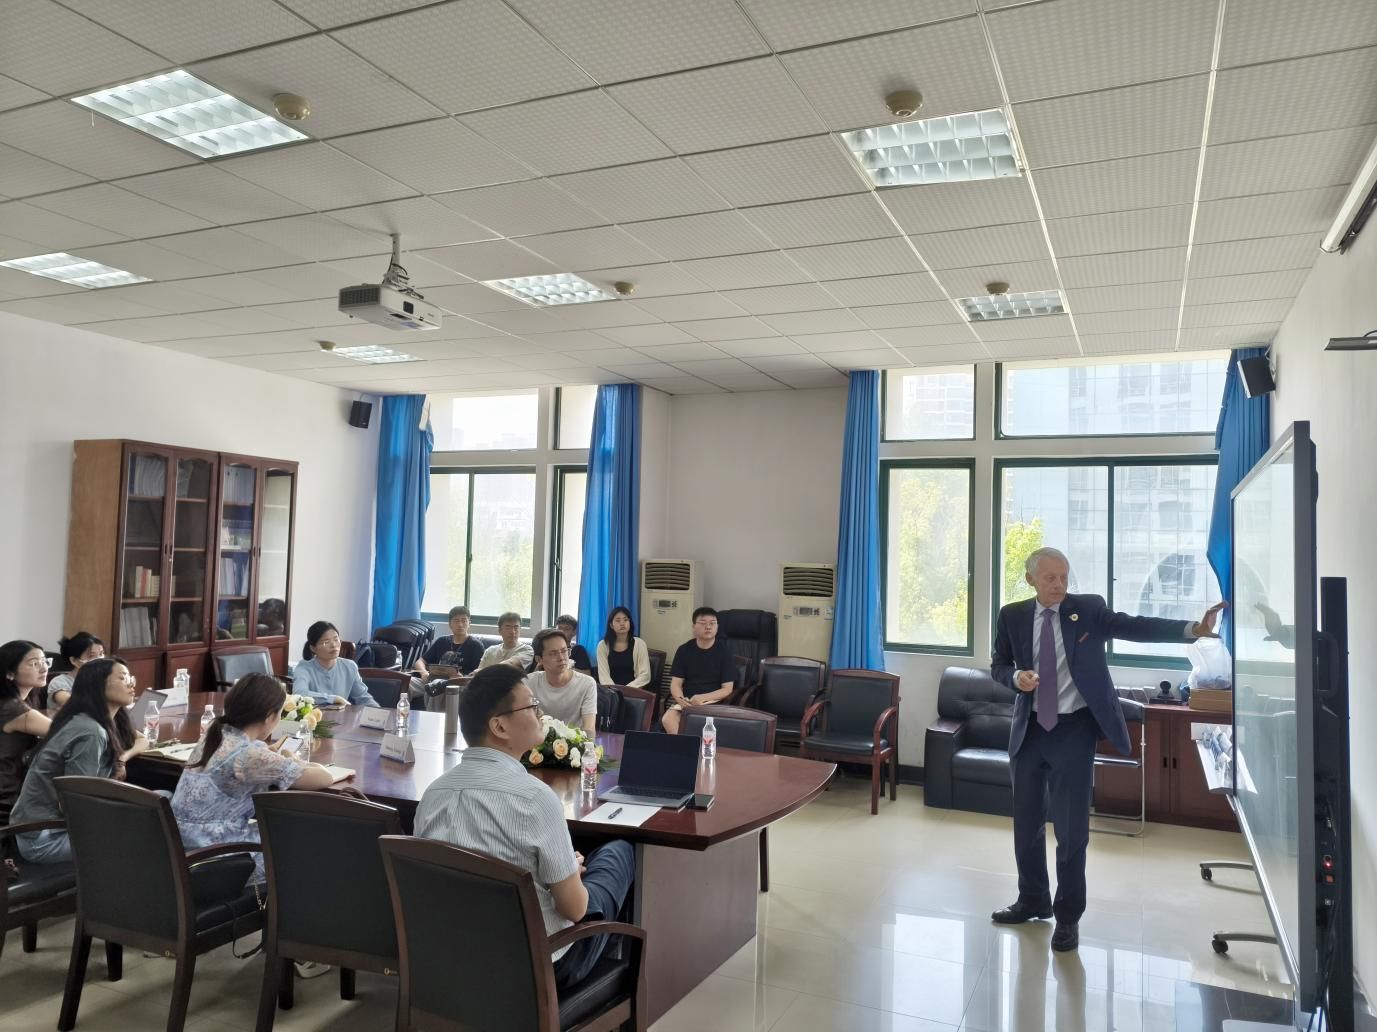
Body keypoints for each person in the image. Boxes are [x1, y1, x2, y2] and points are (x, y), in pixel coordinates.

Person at [990, 547, 1225, 952]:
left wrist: (1193, 629)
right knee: (1026, 825)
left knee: (1071, 831)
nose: (1059, 585)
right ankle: (1032, 899)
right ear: (1030, 579)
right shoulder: (1012, 615)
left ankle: (1067, 917)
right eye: (1050, 578)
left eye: (1064, 576)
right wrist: (1015, 678)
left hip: (1073, 730)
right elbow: (998, 665)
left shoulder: (1088, 609)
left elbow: (1136, 626)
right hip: (1029, 731)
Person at [414, 664, 635, 990]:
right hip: (536, 968)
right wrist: (570, 874)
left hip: (450, 956)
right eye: (532, 706)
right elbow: (575, 909)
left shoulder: (433, 794)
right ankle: (611, 981)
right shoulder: (535, 798)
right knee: (619, 852)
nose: (540, 713)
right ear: (500, 726)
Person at [171, 672, 338, 882]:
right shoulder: (249, 755)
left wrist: (271, 755)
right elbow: (324, 778)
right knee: (304, 842)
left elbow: (246, 759)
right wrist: (293, 759)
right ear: (269, 717)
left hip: (181, 845)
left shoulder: (216, 733)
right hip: (216, 856)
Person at [10, 657, 147, 862]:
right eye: (123, 678)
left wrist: (122, 760)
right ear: (99, 685)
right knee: (149, 831)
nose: (131, 684)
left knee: (158, 803)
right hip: (45, 838)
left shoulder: (93, 720)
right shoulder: (90, 731)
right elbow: (78, 803)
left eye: (130, 678)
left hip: (49, 829)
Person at [662, 607, 737, 735]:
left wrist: (702, 698)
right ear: (694, 626)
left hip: (713, 702)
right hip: (687, 701)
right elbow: (676, 683)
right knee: (668, 720)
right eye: (703, 623)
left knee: (703, 727)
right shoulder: (684, 650)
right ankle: (686, 747)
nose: (708, 627)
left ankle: (692, 747)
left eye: (712, 623)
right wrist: (681, 700)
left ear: (717, 627)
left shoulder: (725, 652)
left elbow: (727, 689)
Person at [1, 640, 54, 809]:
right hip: (7, 798)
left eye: (45, 661)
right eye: (34, 664)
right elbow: (66, 732)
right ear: (10, 673)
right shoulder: (13, 708)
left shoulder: (18, 702)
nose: (44, 668)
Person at [525, 629, 597, 734]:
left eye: (564, 651)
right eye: (553, 653)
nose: (561, 658)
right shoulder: (528, 683)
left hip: (575, 743)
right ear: (539, 659)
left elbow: (589, 729)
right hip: (538, 741)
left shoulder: (587, 684)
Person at [293, 621, 378, 707]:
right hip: (315, 715)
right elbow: (299, 694)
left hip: (342, 715)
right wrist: (333, 699)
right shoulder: (304, 668)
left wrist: (381, 712)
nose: (333, 645)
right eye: (326, 642)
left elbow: (363, 698)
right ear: (313, 648)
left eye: (336, 640)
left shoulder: (350, 666)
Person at [413, 605, 484, 678]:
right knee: (409, 680)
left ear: (469, 623)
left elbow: (479, 673)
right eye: (456, 621)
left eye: (464, 621)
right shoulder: (441, 641)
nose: (460, 625)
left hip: (459, 683)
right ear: (450, 624)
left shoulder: (476, 645)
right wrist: (424, 673)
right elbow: (420, 661)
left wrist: (463, 678)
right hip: (433, 680)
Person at [45, 631, 105, 713]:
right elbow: (74, 705)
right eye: (91, 656)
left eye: (101, 654)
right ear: (74, 660)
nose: (100, 660)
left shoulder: (102, 680)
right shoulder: (60, 682)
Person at [595, 607, 652, 689]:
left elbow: (645, 675)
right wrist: (615, 691)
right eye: (618, 620)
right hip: (610, 692)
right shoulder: (603, 646)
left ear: (629, 622)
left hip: (634, 691)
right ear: (611, 625)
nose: (622, 623)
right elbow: (604, 676)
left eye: (625, 620)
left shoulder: (640, 644)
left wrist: (625, 690)